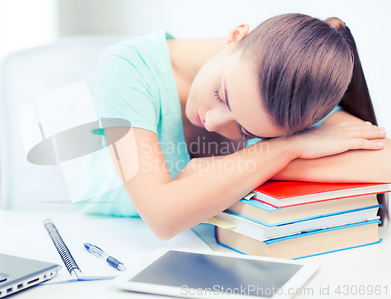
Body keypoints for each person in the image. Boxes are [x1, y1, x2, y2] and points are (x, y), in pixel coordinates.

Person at [78, 13, 390, 240]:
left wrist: (216, 168)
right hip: (111, 237)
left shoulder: (289, 96)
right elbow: (162, 216)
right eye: (220, 94)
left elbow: (385, 162)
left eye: (246, 131)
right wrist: (288, 148)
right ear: (236, 37)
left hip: (220, 243)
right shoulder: (127, 69)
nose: (213, 121)